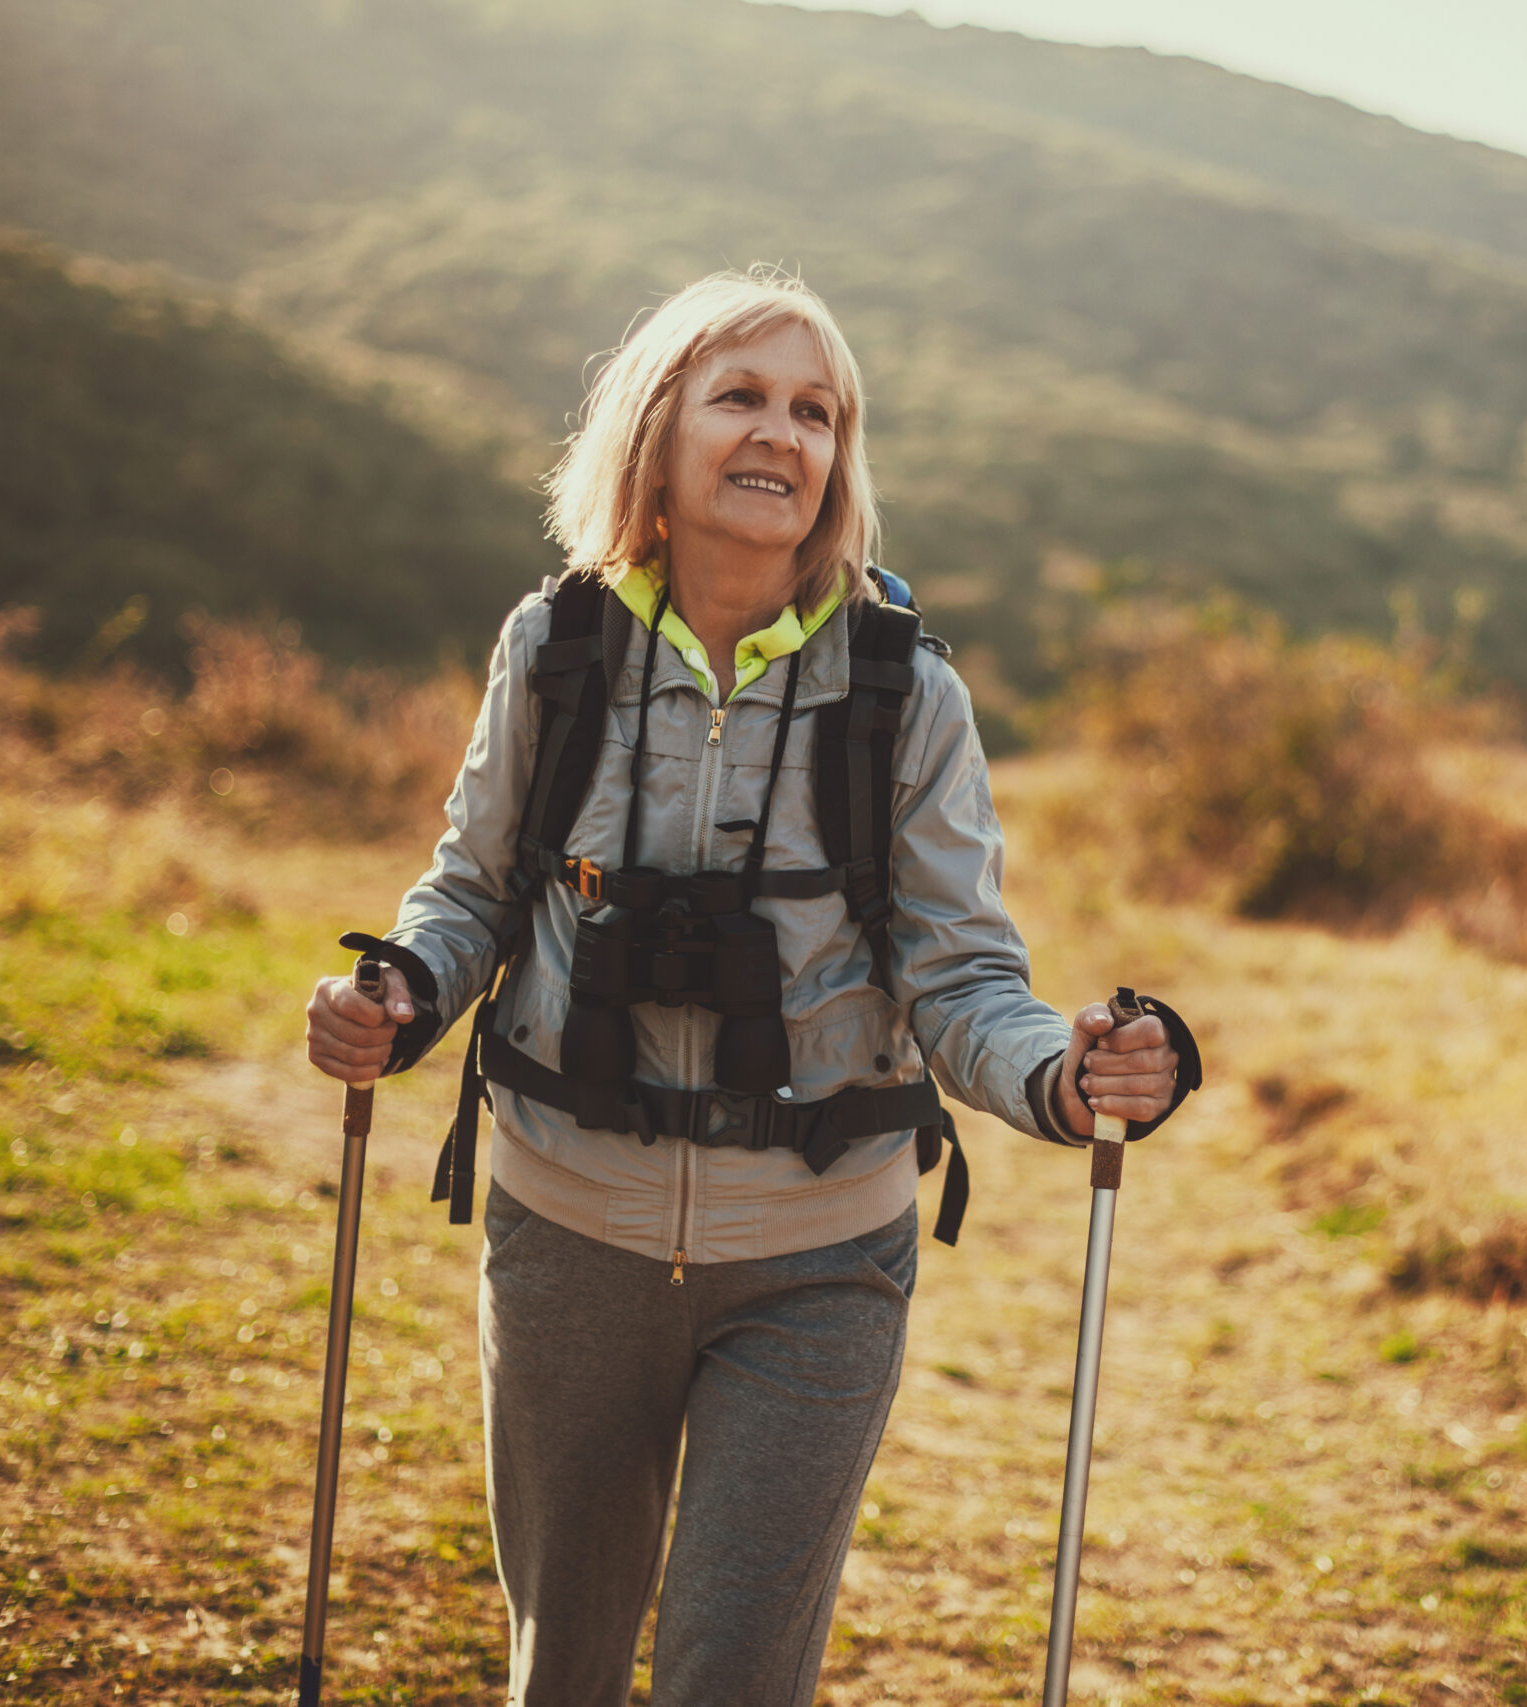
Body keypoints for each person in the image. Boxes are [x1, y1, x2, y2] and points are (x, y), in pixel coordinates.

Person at [302, 267, 1187, 1706]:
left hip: (821, 1259)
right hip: (567, 1230)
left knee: (733, 1678)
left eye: (817, 410)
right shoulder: (558, 650)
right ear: (657, 430)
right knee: (565, 1670)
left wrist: (1062, 1073)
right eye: (743, 396)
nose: (784, 433)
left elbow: (961, 970)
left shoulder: (905, 699)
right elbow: (472, 891)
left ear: (842, 461)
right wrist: (396, 992)